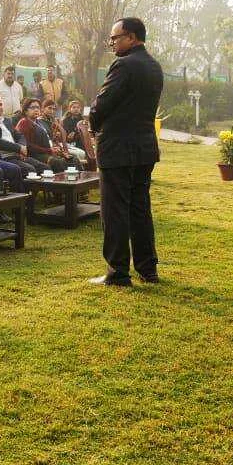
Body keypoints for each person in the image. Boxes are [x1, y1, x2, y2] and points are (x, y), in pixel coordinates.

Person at [88, 17, 163, 287]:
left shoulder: (124, 64)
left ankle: (117, 272)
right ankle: (148, 268)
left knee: (115, 211)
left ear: (131, 37)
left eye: (115, 38)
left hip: (118, 148)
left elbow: (102, 104)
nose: (112, 43)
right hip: (144, 148)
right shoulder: (154, 66)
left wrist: (92, 125)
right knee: (140, 209)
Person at [0, 94, 45, 179]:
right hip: (3, 157)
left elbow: (20, 135)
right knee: (30, 170)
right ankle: (24, 188)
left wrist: (22, 146)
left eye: (0, 104)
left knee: (44, 167)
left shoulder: (7, 120)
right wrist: (18, 148)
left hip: (17, 155)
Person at [16, 98, 72, 173]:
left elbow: (49, 141)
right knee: (57, 162)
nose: (36, 110)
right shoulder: (24, 123)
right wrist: (49, 150)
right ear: (26, 111)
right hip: (33, 155)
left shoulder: (38, 122)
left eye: (38, 107)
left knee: (72, 159)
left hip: (45, 152)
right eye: (33, 107)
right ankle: (60, 180)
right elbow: (27, 145)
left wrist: (58, 150)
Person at [43, 98, 85, 165]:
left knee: (81, 153)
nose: (52, 111)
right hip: (53, 146)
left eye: (53, 109)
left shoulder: (82, 120)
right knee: (79, 154)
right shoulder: (64, 120)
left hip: (70, 143)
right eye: (49, 108)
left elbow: (62, 135)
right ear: (43, 108)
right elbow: (62, 137)